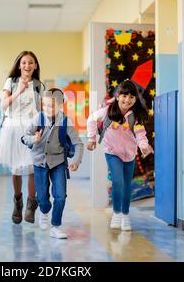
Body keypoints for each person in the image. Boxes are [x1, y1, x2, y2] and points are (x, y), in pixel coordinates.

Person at [86, 80, 153, 231]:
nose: (127, 100)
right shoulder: (107, 111)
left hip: (129, 154)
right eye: (124, 96)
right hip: (112, 152)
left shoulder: (135, 116)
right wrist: (91, 139)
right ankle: (116, 213)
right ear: (117, 96)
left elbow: (141, 135)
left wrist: (144, 146)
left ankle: (125, 215)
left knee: (127, 185)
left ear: (135, 99)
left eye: (131, 97)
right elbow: (91, 119)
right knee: (118, 181)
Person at [22, 88, 83, 239]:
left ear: (61, 105)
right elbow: (24, 137)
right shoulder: (38, 119)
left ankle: (56, 226)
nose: (48, 109)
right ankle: (44, 211)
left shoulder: (66, 122)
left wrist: (76, 161)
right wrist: (33, 139)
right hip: (40, 162)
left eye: (52, 106)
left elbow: (79, 143)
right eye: (45, 105)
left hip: (58, 162)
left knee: (60, 196)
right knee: (42, 198)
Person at [0, 51, 44, 224]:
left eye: (31, 62)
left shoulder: (38, 85)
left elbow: (41, 110)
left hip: (31, 127)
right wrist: (19, 91)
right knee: (16, 169)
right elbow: (3, 106)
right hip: (13, 127)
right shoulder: (11, 82)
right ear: (19, 65)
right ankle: (18, 202)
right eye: (24, 62)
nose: (27, 66)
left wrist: (42, 128)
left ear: (35, 65)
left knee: (32, 167)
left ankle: (31, 205)